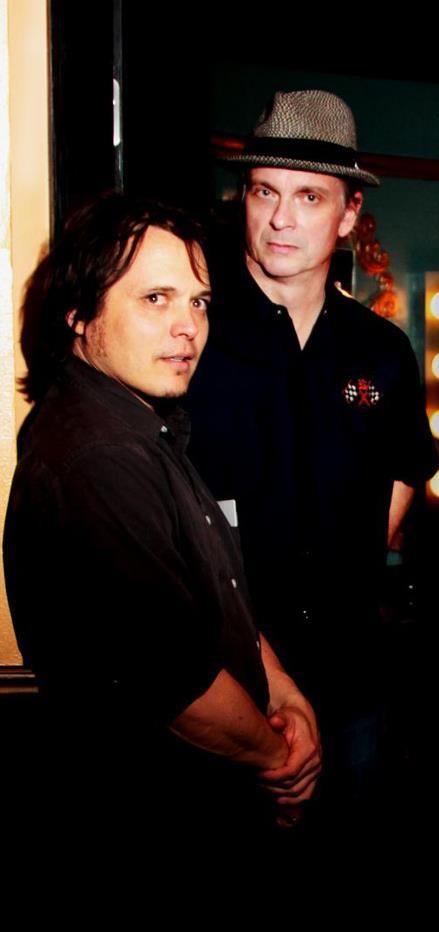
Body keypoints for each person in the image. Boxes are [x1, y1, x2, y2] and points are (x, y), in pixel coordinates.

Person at [3, 195, 321, 892]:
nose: (188, 327)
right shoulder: (97, 457)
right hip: (156, 831)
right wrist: (280, 759)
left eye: (199, 302)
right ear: (78, 313)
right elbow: (174, 680)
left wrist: (287, 694)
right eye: (156, 299)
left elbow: (220, 597)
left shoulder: (145, 427)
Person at [184, 90, 436, 845]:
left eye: (310, 197)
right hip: (219, 678)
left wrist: (346, 571)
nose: (282, 219)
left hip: (349, 680)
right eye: (265, 192)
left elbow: (404, 471)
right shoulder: (190, 334)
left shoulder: (381, 351)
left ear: (350, 213)